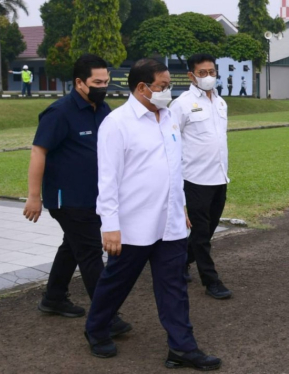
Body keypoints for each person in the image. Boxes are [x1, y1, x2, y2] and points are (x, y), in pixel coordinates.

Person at [84, 58, 221, 371]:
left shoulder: (169, 117)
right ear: (142, 87)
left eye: (169, 85)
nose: (167, 91)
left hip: (170, 223)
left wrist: (182, 207)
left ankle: (182, 348)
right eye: (162, 86)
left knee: (173, 286)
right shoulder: (117, 124)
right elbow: (107, 180)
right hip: (133, 225)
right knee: (117, 281)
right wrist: (110, 226)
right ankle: (96, 328)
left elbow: (174, 168)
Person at [22, 54, 130, 335]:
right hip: (67, 198)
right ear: (79, 82)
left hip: (94, 197)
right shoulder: (59, 112)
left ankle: (54, 298)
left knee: (72, 247)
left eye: (106, 81)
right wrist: (34, 196)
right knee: (91, 252)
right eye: (97, 82)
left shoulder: (103, 109)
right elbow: (38, 151)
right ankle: (106, 315)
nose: (103, 86)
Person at [170, 54, 232, 300]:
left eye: (212, 71)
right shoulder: (182, 104)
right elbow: (172, 141)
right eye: (203, 72)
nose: (209, 76)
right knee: (201, 232)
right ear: (191, 75)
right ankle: (211, 280)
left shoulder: (220, 102)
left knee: (208, 229)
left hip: (219, 176)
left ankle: (182, 261)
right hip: (194, 178)